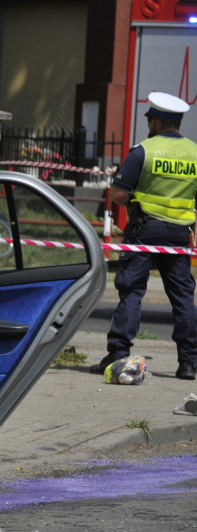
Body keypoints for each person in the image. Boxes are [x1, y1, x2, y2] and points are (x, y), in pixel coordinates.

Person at [91, 92, 197, 380]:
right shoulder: (195, 153)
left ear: (159, 122)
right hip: (178, 235)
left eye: (151, 119)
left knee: (132, 292)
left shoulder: (143, 151)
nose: (149, 123)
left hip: (145, 231)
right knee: (183, 299)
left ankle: (117, 356)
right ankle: (188, 364)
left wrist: (136, 197)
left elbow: (120, 195)